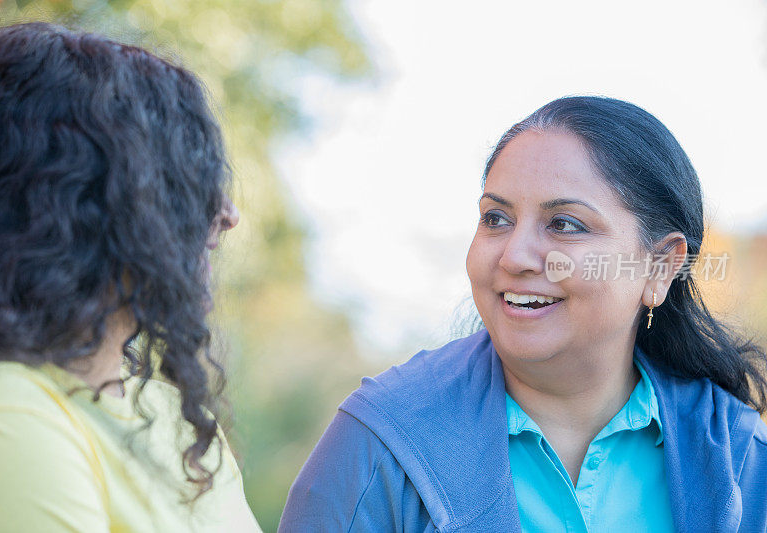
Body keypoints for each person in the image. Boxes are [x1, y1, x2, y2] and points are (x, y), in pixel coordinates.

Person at [278, 96, 767, 532]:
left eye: (564, 225)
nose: (515, 256)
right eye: (496, 218)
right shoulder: (381, 441)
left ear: (661, 266)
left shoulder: (742, 462)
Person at [0, 23, 262, 532]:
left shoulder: (172, 416)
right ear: (87, 199)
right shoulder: (2, 416)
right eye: (184, 179)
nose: (227, 212)